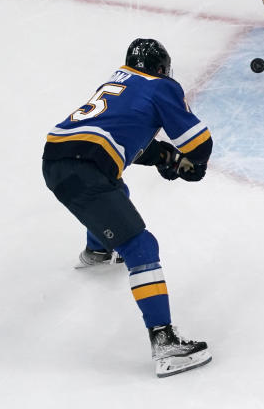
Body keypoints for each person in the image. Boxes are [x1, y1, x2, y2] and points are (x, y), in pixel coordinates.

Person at [41, 38, 212, 378]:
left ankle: (98, 251)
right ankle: (164, 343)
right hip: (84, 167)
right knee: (141, 246)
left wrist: (163, 156)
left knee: (113, 190)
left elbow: (116, 136)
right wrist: (193, 163)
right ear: (162, 68)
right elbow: (198, 143)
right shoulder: (160, 86)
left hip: (57, 158)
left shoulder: (116, 84)